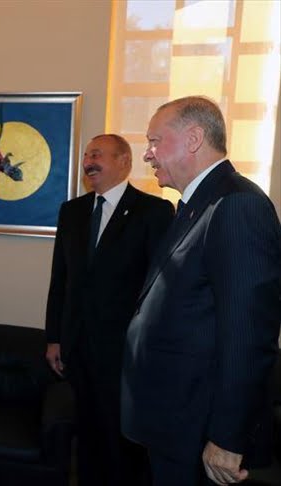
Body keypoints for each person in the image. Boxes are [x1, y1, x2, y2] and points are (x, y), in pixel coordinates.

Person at [122, 96, 281, 486]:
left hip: (200, 429)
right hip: (175, 421)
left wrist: (227, 437)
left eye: (155, 141)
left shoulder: (237, 205)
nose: (148, 154)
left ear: (193, 139)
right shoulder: (196, 204)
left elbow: (247, 335)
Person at [45, 134, 174, 486]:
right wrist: (54, 337)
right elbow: (60, 280)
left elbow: (161, 288)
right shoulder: (71, 211)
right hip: (77, 348)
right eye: (87, 155)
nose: (89, 162)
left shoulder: (154, 211)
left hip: (125, 352)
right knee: (86, 439)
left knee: (121, 443)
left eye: (97, 154)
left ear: (124, 161)